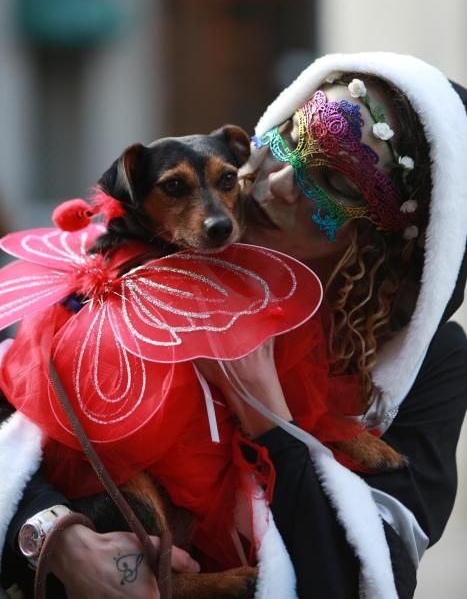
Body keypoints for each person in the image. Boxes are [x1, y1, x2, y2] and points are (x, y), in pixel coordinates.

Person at [1, 52, 467, 599]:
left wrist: (268, 415)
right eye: (291, 139)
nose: (278, 184)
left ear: (382, 238)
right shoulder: (122, 267)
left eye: (335, 181)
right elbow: (18, 429)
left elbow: (369, 575)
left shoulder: (425, 362)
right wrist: (56, 539)